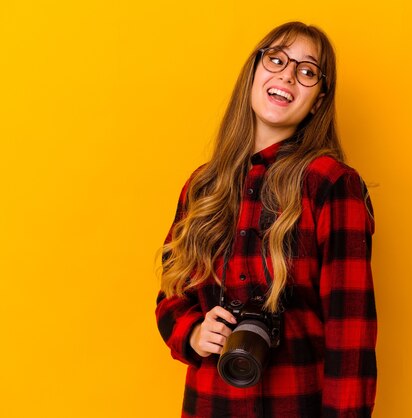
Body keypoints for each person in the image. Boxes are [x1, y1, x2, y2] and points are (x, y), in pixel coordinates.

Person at [156, 21, 377, 417]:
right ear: (254, 71)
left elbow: (351, 336)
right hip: (210, 405)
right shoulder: (203, 186)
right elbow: (170, 295)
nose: (287, 75)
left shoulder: (330, 185)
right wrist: (192, 332)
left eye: (307, 71)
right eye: (276, 59)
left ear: (319, 98)